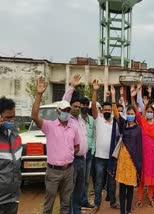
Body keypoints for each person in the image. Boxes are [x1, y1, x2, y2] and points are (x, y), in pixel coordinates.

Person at [31, 76, 80, 214]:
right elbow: (34, 116)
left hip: (69, 170)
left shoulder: (73, 128)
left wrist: (68, 154)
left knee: (65, 204)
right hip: (53, 172)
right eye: (64, 110)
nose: (66, 113)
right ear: (58, 112)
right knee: (48, 205)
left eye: (68, 110)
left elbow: (76, 147)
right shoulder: (49, 126)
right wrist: (39, 94)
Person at [111, 86, 142, 214]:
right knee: (122, 189)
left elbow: (139, 148)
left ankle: (129, 210)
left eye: (132, 114)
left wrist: (138, 164)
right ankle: (122, 212)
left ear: (135, 115)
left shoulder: (138, 129)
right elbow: (116, 113)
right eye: (128, 114)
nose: (130, 115)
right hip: (122, 162)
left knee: (130, 190)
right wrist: (113, 96)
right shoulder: (123, 125)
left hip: (133, 163)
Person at [131, 84, 154, 208]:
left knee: (152, 179)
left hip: (153, 154)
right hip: (143, 154)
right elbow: (137, 113)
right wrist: (133, 99)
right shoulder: (142, 122)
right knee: (143, 178)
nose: (149, 113)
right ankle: (139, 198)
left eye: (151, 112)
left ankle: (150, 198)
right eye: (147, 111)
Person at [62, 74, 88, 214]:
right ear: (70, 107)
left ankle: (77, 211)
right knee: (70, 191)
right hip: (73, 161)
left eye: (79, 106)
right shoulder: (68, 119)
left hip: (82, 160)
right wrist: (72, 87)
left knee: (79, 190)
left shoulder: (81, 120)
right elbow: (64, 101)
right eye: (74, 106)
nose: (77, 108)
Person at [91, 80, 119, 212]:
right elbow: (93, 108)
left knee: (112, 183)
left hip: (112, 158)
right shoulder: (99, 119)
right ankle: (97, 204)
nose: (107, 111)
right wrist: (95, 91)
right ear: (102, 110)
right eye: (105, 109)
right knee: (98, 183)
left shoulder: (115, 122)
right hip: (99, 158)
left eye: (109, 109)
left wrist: (112, 97)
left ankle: (113, 202)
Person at [0, 97, 22, 214]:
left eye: (13, 116)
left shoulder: (16, 137)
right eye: (8, 118)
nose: (11, 120)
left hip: (13, 198)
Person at [79, 97, 96, 209]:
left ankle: (84, 201)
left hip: (89, 153)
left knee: (86, 179)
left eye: (86, 104)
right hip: (79, 155)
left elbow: (94, 136)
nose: (84, 106)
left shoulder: (92, 119)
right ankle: (77, 201)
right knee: (79, 179)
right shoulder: (76, 119)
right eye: (82, 104)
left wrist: (93, 150)